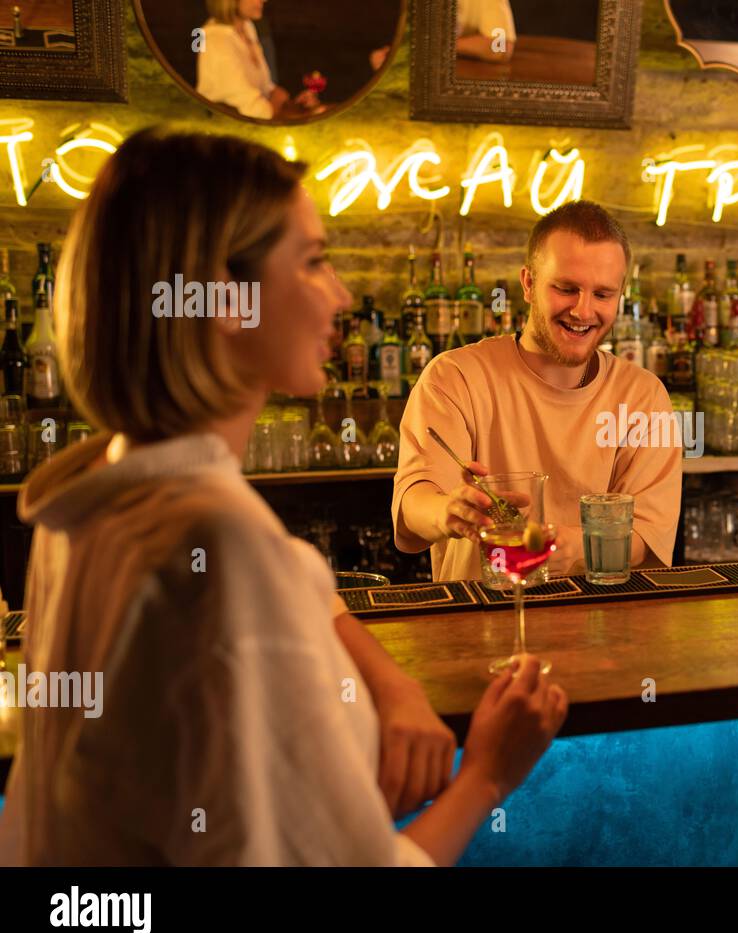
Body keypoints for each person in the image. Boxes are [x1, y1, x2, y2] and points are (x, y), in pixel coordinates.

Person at [0, 127, 567, 866]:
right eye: (312, 262)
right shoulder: (223, 550)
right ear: (227, 298)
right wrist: (489, 772)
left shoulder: (84, 507)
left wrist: (383, 695)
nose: (339, 294)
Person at [393, 201, 682, 582]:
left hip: (604, 628)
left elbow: (648, 536)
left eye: (603, 295)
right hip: (478, 621)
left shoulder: (644, 397)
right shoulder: (454, 377)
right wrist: (449, 510)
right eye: (566, 289)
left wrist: (573, 551)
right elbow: (414, 504)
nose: (583, 311)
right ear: (528, 284)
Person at [196, 0, 321, 121]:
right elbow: (256, 112)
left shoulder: (247, 27)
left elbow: (267, 89)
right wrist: (276, 102)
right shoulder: (215, 40)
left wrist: (292, 103)